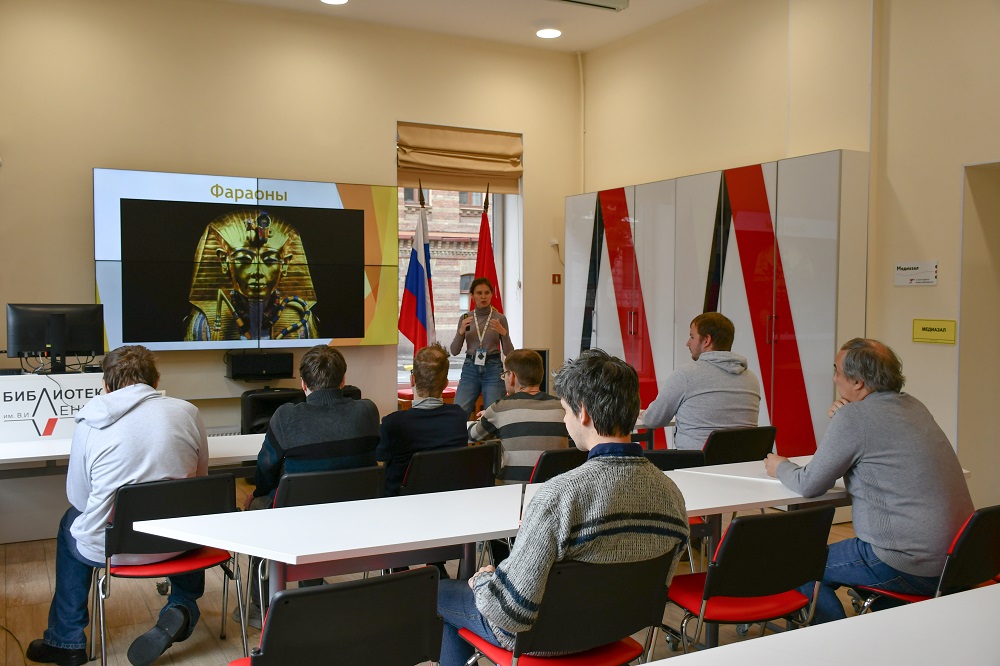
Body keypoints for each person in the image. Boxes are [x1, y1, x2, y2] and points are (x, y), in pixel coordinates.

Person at [436, 349, 689, 666]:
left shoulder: (559, 496)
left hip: (542, 639)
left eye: (566, 411)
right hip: (617, 629)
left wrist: (481, 583)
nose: (565, 419)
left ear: (583, 413)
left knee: (442, 592)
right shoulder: (671, 494)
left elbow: (512, 612)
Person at [764, 338, 973, 624]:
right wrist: (846, 417)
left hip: (908, 562)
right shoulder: (913, 405)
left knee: (798, 563)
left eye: (837, 370)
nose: (835, 378)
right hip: (960, 559)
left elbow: (810, 483)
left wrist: (781, 466)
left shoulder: (855, 417)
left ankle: (835, 643)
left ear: (858, 383)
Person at [26, 345, 209, 666]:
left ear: (105, 386)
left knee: (71, 521)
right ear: (156, 381)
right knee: (190, 511)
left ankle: (65, 641)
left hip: (116, 547)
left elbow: (80, 499)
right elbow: (200, 480)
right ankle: (181, 604)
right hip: (181, 542)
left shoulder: (90, 423)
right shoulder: (188, 412)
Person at [239, 345, 380, 624]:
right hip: (358, 520)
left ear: (303, 384)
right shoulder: (368, 411)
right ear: (343, 380)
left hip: (299, 521)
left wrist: (258, 492)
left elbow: (266, 468)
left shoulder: (285, 416)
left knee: (258, 506)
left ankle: (260, 607)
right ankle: (310, 584)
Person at [184, 209, 318, 341]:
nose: (258, 272)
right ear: (224, 261)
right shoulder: (204, 324)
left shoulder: (301, 319)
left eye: (269, 260)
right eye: (244, 260)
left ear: (285, 264)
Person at [643, 312, 760, 450]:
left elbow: (653, 420)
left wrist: (644, 414)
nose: (688, 343)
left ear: (706, 340)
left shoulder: (686, 374)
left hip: (695, 466)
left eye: (692, 336)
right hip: (741, 464)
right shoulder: (751, 379)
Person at [377, 344, 468, 497]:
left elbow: (379, 460)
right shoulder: (458, 417)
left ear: (412, 380)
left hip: (402, 504)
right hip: (447, 500)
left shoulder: (393, 423)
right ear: (446, 384)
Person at [468, 349, 568, 482]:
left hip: (514, 489)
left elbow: (473, 435)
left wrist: (488, 418)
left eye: (504, 374)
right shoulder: (562, 407)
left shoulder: (500, 408)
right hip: (555, 488)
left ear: (512, 377)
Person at [450, 277, 514, 417]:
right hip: (470, 368)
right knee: (458, 413)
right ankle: (461, 439)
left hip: (493, 367)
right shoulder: (466, 318)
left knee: (494, 415)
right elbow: (454, 351)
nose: (483, 296)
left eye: (487, 293)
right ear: (472, 296)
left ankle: (491, 440)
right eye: (479, 293)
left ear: (492, 294)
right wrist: (461, 332)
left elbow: (510, 353)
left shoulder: (499, 318)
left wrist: (504, 334)